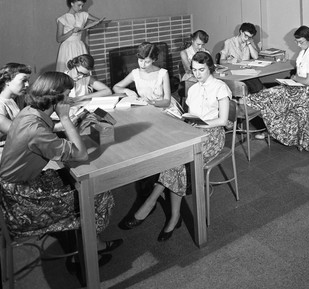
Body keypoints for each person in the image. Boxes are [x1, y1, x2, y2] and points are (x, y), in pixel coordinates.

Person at [0, 72, 121, 267]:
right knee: (97, 191)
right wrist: (65, 118)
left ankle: (88, 242)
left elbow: (48, 136)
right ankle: (90, 254)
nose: (70, 98)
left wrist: (73, 125)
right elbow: (81, 155)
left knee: (75, 179)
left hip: (17, 186)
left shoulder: (28, 112)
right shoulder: (35, 130)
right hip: (21, 201)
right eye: (67, 94)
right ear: (54, 97)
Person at [119, 52, 231, 242]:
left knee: (177, 162)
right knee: (173, 157)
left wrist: (200, 125)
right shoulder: (194, 89)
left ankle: (155, 205)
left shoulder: (221, 88)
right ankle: (173, 215)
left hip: (212, 136)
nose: (197, 74)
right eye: (194, 70)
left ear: (210, 68)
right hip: (193, 131)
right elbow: (189, 114)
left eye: (201, 70)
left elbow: (222, 121)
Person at [245, 26, 309, 152]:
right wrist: (294, 79)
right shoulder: (304, 52)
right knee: (272, 93)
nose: (298, 45)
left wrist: (295, 78)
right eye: (296, 42)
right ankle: (255, 108)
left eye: (300, 42)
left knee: (272, 94)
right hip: (299, 87)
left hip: (307, 91)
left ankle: (246, 102)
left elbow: (308, 81)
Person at [113, 42, 178, 110]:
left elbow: (167, 101)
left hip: (163, 108)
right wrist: (127, 90)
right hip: (145, 108)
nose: (142, 65)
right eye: (140, 61)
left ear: (154, 60)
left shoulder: (163, 74)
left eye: (147, 62)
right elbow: (116, 87)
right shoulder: (135, 73)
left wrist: (151, 103)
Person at [56, 0, 107, 72]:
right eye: (79, 5)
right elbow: (59, 39)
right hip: (67, 48)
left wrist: (94, 24)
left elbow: (98, 21)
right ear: (72, 3)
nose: (81, 8)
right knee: (69, 71)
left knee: (82, 69)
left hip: (79, 46)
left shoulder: (83, 15)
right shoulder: (62, 19)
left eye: (82, 6)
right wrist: (72, 31)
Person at [0, 63, 31, 150]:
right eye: (23, 80)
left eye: (28, 80)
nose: (27, 85)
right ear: (7, 81)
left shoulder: (13, 100)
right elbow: (21, 133)